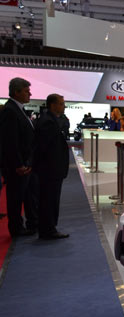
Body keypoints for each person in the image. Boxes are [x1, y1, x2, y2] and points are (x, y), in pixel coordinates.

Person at [0, 77, 38, 237]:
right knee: (15, 197)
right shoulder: (10, 111)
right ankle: (16, 228)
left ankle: (29, 224)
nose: (29, 94)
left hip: (25, 164)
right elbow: (10, 141)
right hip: (18, 167)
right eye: (26, 91)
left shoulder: (18, 110)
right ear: (16, 92)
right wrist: (18, 164)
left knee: (27, 196)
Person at [32, 94, 69, 240]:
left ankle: (48, 228)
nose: (63, 106)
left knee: (50, 199)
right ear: (53, 105)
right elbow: (45, 147)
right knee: (49, 200)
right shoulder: (48, 121)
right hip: (50, 169)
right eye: (61, 104)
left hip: (52, 168)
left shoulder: (50, 120)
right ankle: (48, 229)